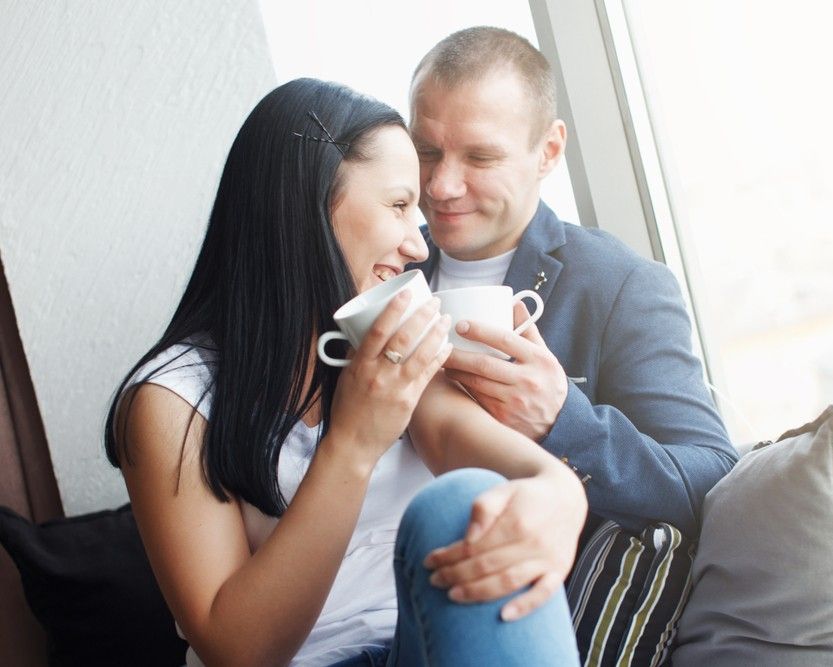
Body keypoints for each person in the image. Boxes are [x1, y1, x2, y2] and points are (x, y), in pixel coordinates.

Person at [104, 78, 585, 667]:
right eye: (400, 206)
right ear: (307, 207)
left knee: (462, 504)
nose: (419, 246)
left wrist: (561, 495)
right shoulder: (172, 401)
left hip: (434, 644)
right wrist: (354, 442)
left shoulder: (385, 339)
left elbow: (503, 460)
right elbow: (238, 652)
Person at [407, 27, 737, 544]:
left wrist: (562, 421)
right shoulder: (381, 270)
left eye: (480, 158)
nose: (440, 185)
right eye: (426, 150)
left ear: (549, 150)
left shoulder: (619, 286)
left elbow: (712, 483)